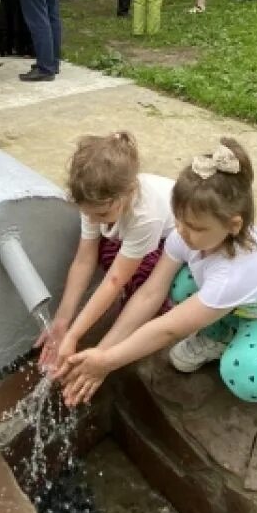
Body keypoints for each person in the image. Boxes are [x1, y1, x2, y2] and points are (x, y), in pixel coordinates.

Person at [56, 138, 257, 458]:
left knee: (243, 373)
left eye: (194, 227)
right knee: (180, 287)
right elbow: (151, 293)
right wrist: (101, 351)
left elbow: (170, 328)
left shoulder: (237, 271)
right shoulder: (189, 235)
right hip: (243, 310)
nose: (181, 232)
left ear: (233, 225)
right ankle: (221, 334)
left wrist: (107, 361)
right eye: (178, 220)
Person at [35, 131, 177, 373]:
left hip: (173, 240)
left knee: (140, 277)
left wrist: (81, 340)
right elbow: (84, 259)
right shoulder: (94, 199)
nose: (92, 220)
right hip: (131, 231)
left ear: (129, 192)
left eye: (100, 215)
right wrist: (62, 321)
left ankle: (148, 317)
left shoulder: (145, 216)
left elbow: (114, 280)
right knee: (106, 254)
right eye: (87, 213)